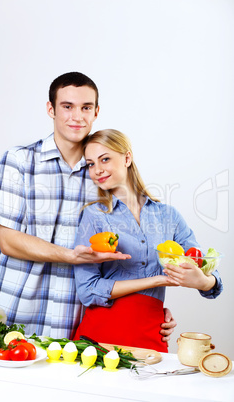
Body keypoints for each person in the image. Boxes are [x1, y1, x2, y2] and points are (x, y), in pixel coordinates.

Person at [0, 72, 176, 340]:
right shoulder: (20, 160)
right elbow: (9, 241)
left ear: (96, 112)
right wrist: (71, 255)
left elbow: (132, 252)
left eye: (86, 107)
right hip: (16, 310)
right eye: (67, 106)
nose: (77, 116)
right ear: (51, 109)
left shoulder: (104, 172)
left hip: (77, 322)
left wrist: (150, 308)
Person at [73, 129, 223, 352]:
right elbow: (87, 290)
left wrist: (203, 282)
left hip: (152, 331)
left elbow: (205, 268)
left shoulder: (168, 216)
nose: (97, 170)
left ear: (127, 158)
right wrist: (156, 281)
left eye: (105, 159)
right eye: (91, 164)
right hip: (101, 335)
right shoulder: (94, 215)